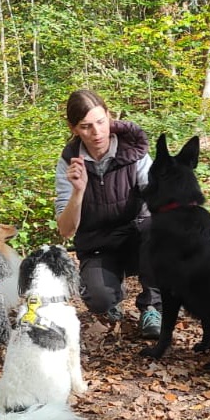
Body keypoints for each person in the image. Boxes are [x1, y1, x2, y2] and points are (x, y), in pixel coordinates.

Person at [54, 89, 162, 338]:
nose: (97, 133)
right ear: (73, 128)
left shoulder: (133, 151)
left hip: (138, 235)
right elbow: (66, 230)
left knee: (157, 228)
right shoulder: (69, 162)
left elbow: (158, 197)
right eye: (86, 126)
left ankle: (152, 307)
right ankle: (112, 297)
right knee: (99, 300)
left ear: (109, 116)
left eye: (101, 122)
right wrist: (78, 192)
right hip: (99, 243)